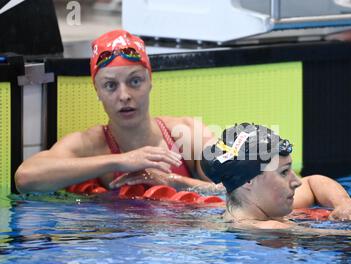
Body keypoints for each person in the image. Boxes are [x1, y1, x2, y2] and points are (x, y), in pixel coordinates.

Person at [15, 30, 219, 193]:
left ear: (150, 82)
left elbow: (239, 191)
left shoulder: (187, 134)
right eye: (110, 85)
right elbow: (25, 179)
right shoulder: (89, 145)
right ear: (98, 92)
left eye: (135, 81)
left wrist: (176, 181)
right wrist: (123, 161)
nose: (124, 95)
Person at [200, 123, 351, 230]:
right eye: (284, 172)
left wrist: (345, 204)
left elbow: (314, 182)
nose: (296, 181)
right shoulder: (266, 228)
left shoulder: (257, 203)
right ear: (249, 180)